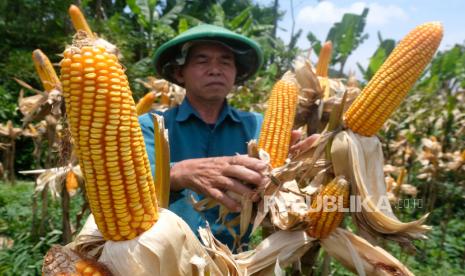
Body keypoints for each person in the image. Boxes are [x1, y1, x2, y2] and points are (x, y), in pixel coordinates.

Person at [139, 24, 314, 248]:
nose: (215, 69)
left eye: (225, 61)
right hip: (165, 257)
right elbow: (127, 179)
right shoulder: (150, 126)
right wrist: (177, 172)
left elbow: (278, 194)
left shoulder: (257, 125)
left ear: (235, 73)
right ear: (179, 73)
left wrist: (297, 170)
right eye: (202, 61)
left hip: (238, 261)